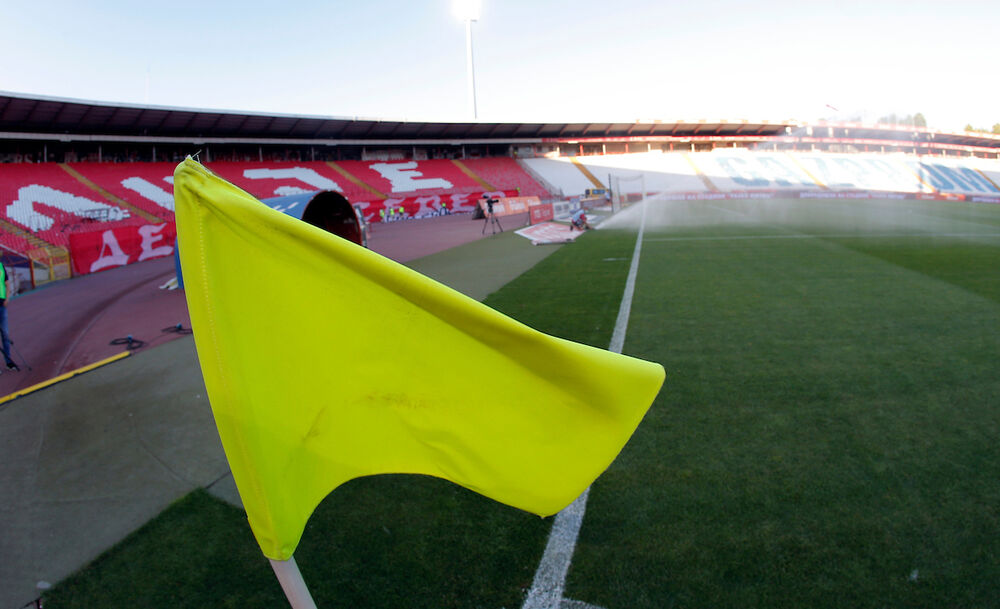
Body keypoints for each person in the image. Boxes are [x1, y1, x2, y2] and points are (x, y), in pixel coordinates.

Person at [0, 263, 18, 371]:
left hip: (2, 304)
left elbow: (7, 283)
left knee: (5, 335)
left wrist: (7, 297)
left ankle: (9, 361)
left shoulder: (1, 266)